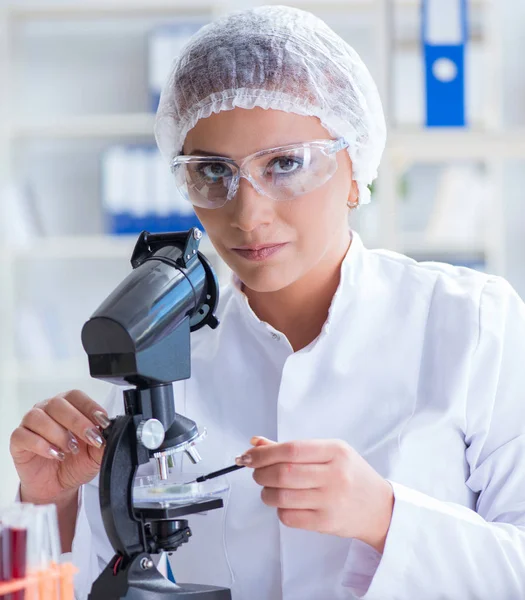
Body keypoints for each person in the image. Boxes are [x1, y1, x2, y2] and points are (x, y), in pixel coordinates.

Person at [9, 5, 525, 599]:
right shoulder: (162, 359)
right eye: (212, 171)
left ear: (355, 164)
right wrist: (50, 504)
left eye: (285, 164)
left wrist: (385, 517)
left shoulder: (472, 322)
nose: (247, 214)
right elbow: (95, 582)